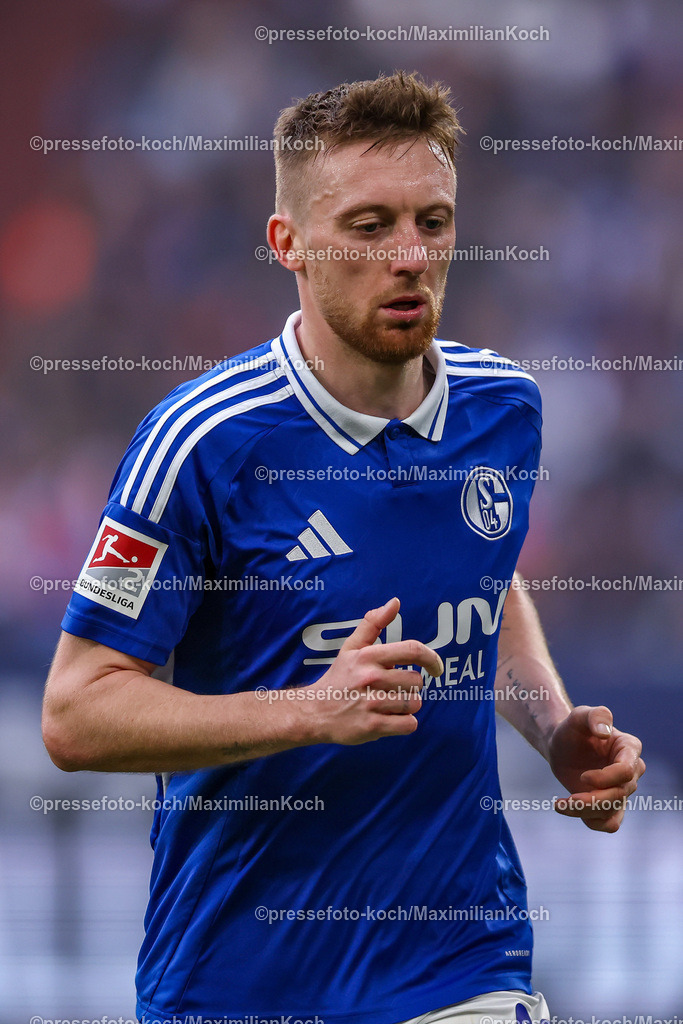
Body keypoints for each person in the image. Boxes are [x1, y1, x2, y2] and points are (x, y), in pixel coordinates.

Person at [42, 71, 645, 1024]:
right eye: (368, 228)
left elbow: (486, 582)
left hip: (461, 962)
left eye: (432, 222)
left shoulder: (505, 410)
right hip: (237, 981)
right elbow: (75, 714)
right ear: (288, 244)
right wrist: (307, 710)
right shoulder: (199, 445)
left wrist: (553, 726)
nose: (409, 256)